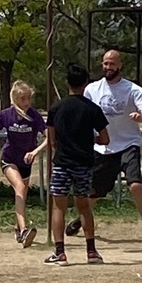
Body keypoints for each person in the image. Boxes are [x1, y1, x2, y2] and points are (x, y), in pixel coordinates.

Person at [65, 48, 142, 244]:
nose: (108, 67)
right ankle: (80, 220)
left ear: (120, 65)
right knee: (95, 192)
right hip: (104, 147)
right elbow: (82, 111)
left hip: (128, 144)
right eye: (105, 63)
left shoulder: (132, 90)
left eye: (112, 63)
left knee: (135, 185)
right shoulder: (92, 89)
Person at [45, 63, 110, 265]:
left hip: (62, 163)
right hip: (84, 164)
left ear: (67, 82)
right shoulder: (92, 109)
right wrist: (89, 139)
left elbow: (52, 139)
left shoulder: (56, 108)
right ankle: (91, 251)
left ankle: (60, 252)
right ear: (86, 83)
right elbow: (105, 139)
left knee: (58, 207)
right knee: (84, 206)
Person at [0, 81, 48, 248]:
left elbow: (50, 138)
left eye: (29, 98)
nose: (27, 102)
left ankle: (17, 228)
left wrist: (35, 152)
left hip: (26, 162)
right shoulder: (6, 114)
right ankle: (24, 230)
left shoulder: (34, 116)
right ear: (15, 99)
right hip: (8, 159)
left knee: (21, 194)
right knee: (20, 187)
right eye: (23, 99)